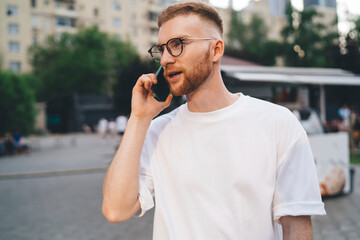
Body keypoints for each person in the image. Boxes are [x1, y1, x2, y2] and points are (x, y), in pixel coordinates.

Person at [102, 2, 325, 239]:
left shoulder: (277, 123)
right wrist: (139, 118)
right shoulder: (158, 131)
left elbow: (297, 226)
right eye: (162, 49)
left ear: (216, 50)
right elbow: (116, 210)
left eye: (178, 44)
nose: (166, 58)